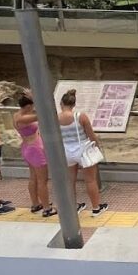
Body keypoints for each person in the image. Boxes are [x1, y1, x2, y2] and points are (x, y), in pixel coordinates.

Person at [58, 89, 109, 217]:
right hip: (82, 149)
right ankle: (96, 208)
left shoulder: (56, 118)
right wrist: (96, 146)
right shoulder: (80, 116)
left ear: (61, 103)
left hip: (66, 151)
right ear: (73, 104)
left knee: (70, 181)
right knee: (90, 180)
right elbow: (91, 135)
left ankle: (73, 207)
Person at [13, 91, 57, 218]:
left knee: (33, 177)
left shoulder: (17, 115)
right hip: (35, 149)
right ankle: (47, 208)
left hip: (27, 147)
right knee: (42, 180)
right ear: (28, 106)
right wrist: (35, 98)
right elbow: (45, 112)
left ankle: (35, 203)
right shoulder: (24, 118)